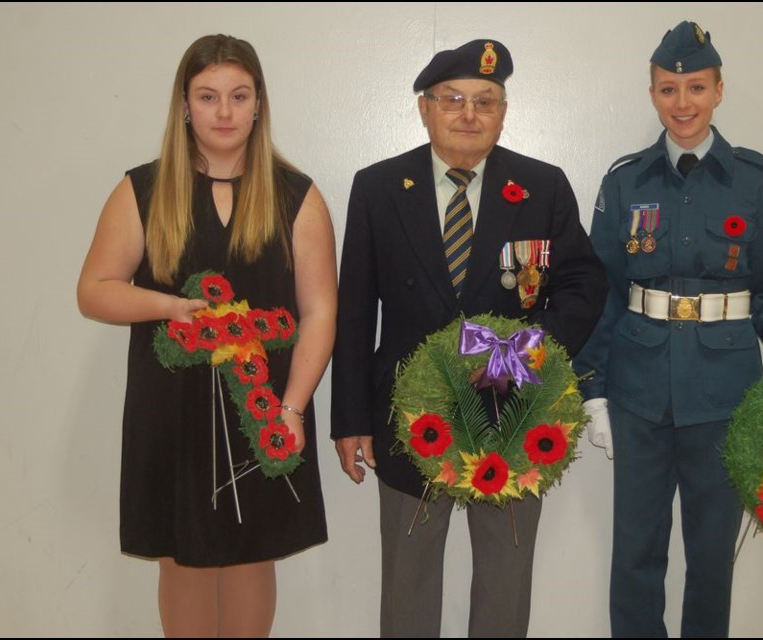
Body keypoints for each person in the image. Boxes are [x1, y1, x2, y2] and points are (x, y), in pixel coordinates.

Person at [331, 39, 606, 638]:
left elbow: (584, 284)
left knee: (506, 585)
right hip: (410, 418)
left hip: (513, 414)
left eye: (486, 101)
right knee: (408, 584)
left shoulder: (542, 186)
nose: (469, 113)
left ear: (504, 112)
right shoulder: (378, 188)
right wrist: (349, 416)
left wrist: (528, 354)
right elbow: (353, 310)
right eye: (453, 99)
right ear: (425, 108)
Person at [574, 20, 763, 638]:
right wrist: (594, 389)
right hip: (638, 391)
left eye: (694, 87)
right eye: (667, 89)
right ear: (653, 93)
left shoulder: (755, 181)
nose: (681, 103)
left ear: (719, 90)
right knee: (635, 554)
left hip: (725, 396)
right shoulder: (625, 181)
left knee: (712, 557)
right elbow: (600, 293)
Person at [77, 34, 335, 637]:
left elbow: (321, 311)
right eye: (209, 96)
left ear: (258, 104)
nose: (224, 111)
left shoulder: (296, 195)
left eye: (238, 96)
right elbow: (94, 289)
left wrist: (292, 408)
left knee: (253, 554)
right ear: (185, 105)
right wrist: (171, 306)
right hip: (170, 409)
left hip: (265, 404)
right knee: (182, 557)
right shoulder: (142, 190)